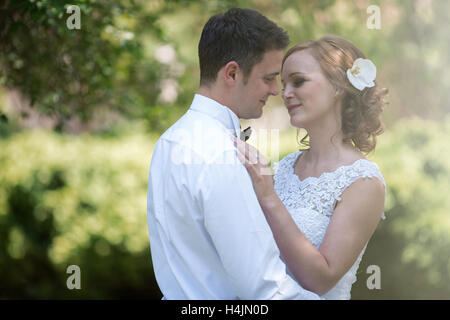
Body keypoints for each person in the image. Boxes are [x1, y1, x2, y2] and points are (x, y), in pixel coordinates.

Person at [147, 8, 320, 299]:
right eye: (268, 78)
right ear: (231, 73)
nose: (276, 90)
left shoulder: (169, 142)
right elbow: (264, 287)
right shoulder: (222, 153)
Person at [234, 35, 388, 299]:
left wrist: (268, 197)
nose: (285, 94)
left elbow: (320, 280)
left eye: (299, 81)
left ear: (339, 86)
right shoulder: (283, 168)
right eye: (284, 85)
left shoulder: (364, 182)